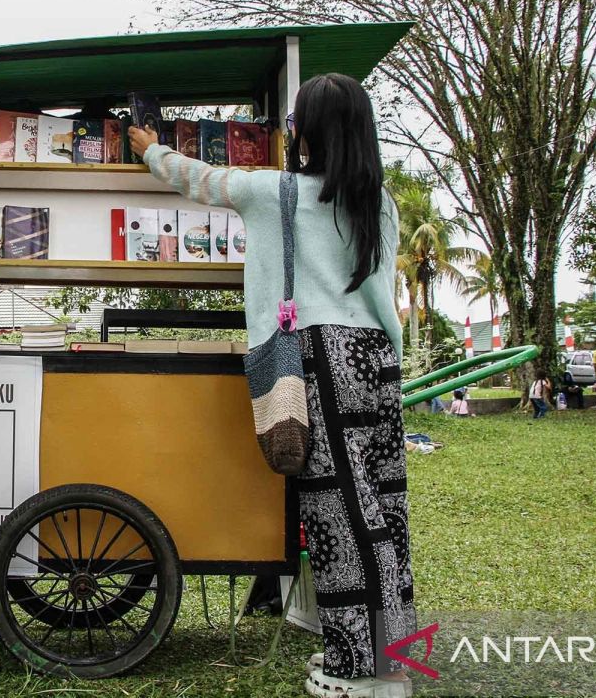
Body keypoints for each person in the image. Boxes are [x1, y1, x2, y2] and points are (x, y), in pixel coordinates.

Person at [131, 74, 413, 698]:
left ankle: (357, 673)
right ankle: (390, 658)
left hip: (318, 359)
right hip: (374, 363)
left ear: (305, 131)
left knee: (339, 520)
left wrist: (149, 144)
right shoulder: (378, 202)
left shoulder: (273, 192)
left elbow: (195, 178)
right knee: (383, 514)